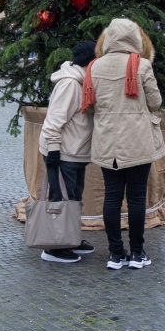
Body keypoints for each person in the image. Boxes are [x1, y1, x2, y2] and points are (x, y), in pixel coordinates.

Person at [82, 18, 165, 271]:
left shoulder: (94, 66)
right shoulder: (141, 65)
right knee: (137, 198)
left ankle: (115, 254)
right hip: (138, 140)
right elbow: (155, 102)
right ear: (135, 38)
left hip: (107, 141)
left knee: (112, 196)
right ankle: (138, 253)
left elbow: (91, 105)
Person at [38, 40, 96, 265]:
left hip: (75, 151)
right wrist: (53, 152)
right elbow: (54, 121)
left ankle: (69, 239)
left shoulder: (83, 82)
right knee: (61, 200)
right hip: (63, 152)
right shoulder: (71, 84)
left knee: (73, 199)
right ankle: (54, 247)